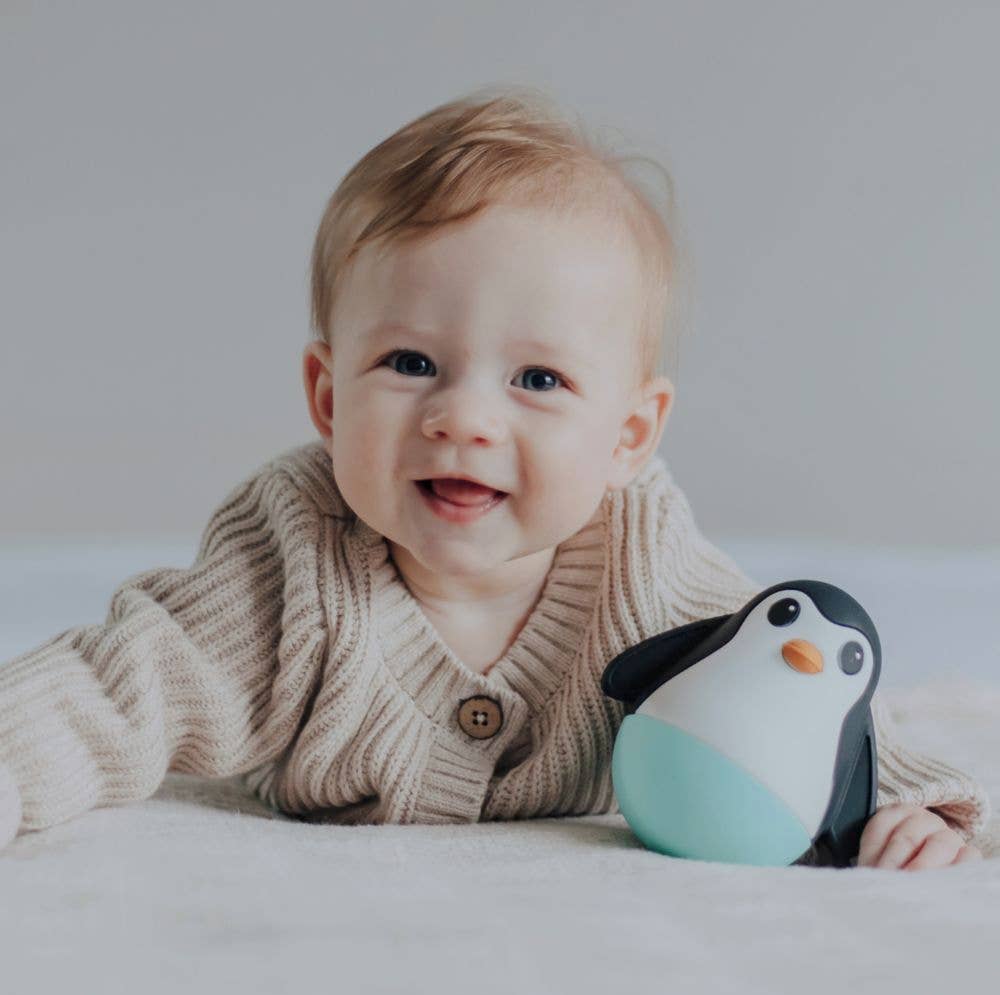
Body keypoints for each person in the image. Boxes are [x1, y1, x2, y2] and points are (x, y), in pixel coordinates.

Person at [0, 85, 989, 868]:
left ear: (628, 435)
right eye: (410, 363)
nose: (465, 418)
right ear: (328, 395)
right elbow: (116, 685)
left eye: (538, 379)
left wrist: (907, 799)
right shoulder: (288, 558)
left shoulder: (640, 563)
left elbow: (790, 691)